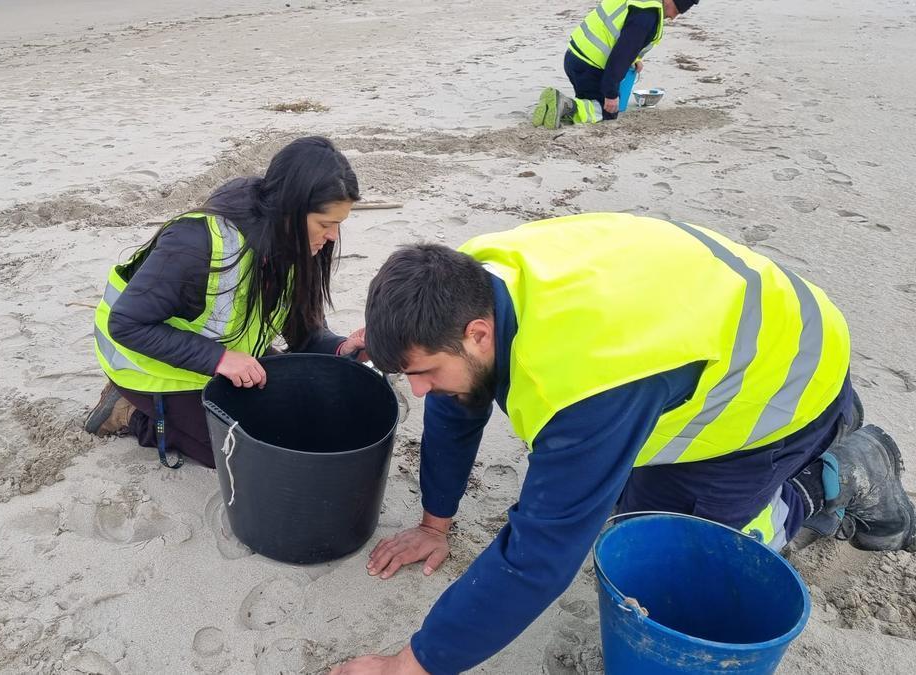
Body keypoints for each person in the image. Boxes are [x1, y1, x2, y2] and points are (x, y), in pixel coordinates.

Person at [332, 213, 915, 674]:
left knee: (657, 547)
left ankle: (831, 472)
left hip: (787, 377)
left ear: (478, 334)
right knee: (597, 483)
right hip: (721, 326)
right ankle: (827, 425)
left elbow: (538, 557)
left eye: (424, 371)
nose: (419, 389)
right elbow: (457, 402)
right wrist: (435, 523)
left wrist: (411, 665)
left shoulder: (584, 383)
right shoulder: (474, 277)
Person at [84, 136, 366, 468]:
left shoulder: (300, 246)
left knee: (293, 416)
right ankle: (127, 410)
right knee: (239, 453)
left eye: (338, 225)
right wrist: (221, 359)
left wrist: (339, 349)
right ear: (289, 209)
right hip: (146, 365)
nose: (332, 236)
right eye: (325, 224)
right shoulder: (195, 244)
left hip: (222, 356)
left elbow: (304, 332)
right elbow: (125, 324)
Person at [531, 0, 700, 129]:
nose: (673, 17)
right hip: (589, 67)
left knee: (590, 101)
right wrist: (611, 94)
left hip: (573, 57)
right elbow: (620, 56)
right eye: (676, 10)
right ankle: (566, 104)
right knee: (607, 112)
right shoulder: (647, 16)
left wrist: (635, 59)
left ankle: (550, 107)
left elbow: (617, 34)